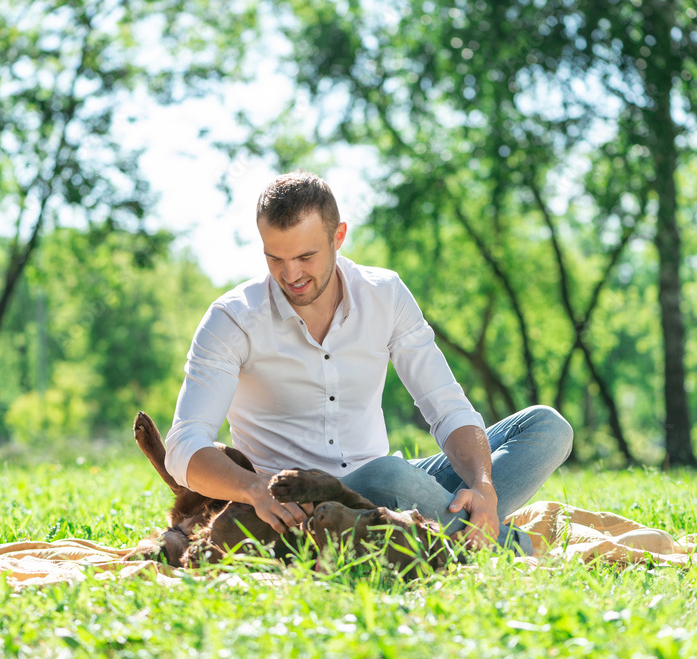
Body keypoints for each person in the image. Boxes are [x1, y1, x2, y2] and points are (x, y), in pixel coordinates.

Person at [164, 171, 572, 554]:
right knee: (389, 476)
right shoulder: (233, 318)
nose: (291, 275)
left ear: (338, 236)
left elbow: (446, 405)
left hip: (388, 482)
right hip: (303, 508)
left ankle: (453, 526)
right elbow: (184, 444)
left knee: (547, 427)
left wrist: (484, 488)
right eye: (275, 258)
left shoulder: (385, 294)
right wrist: (254, 489)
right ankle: (507, 545)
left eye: (306, 256)